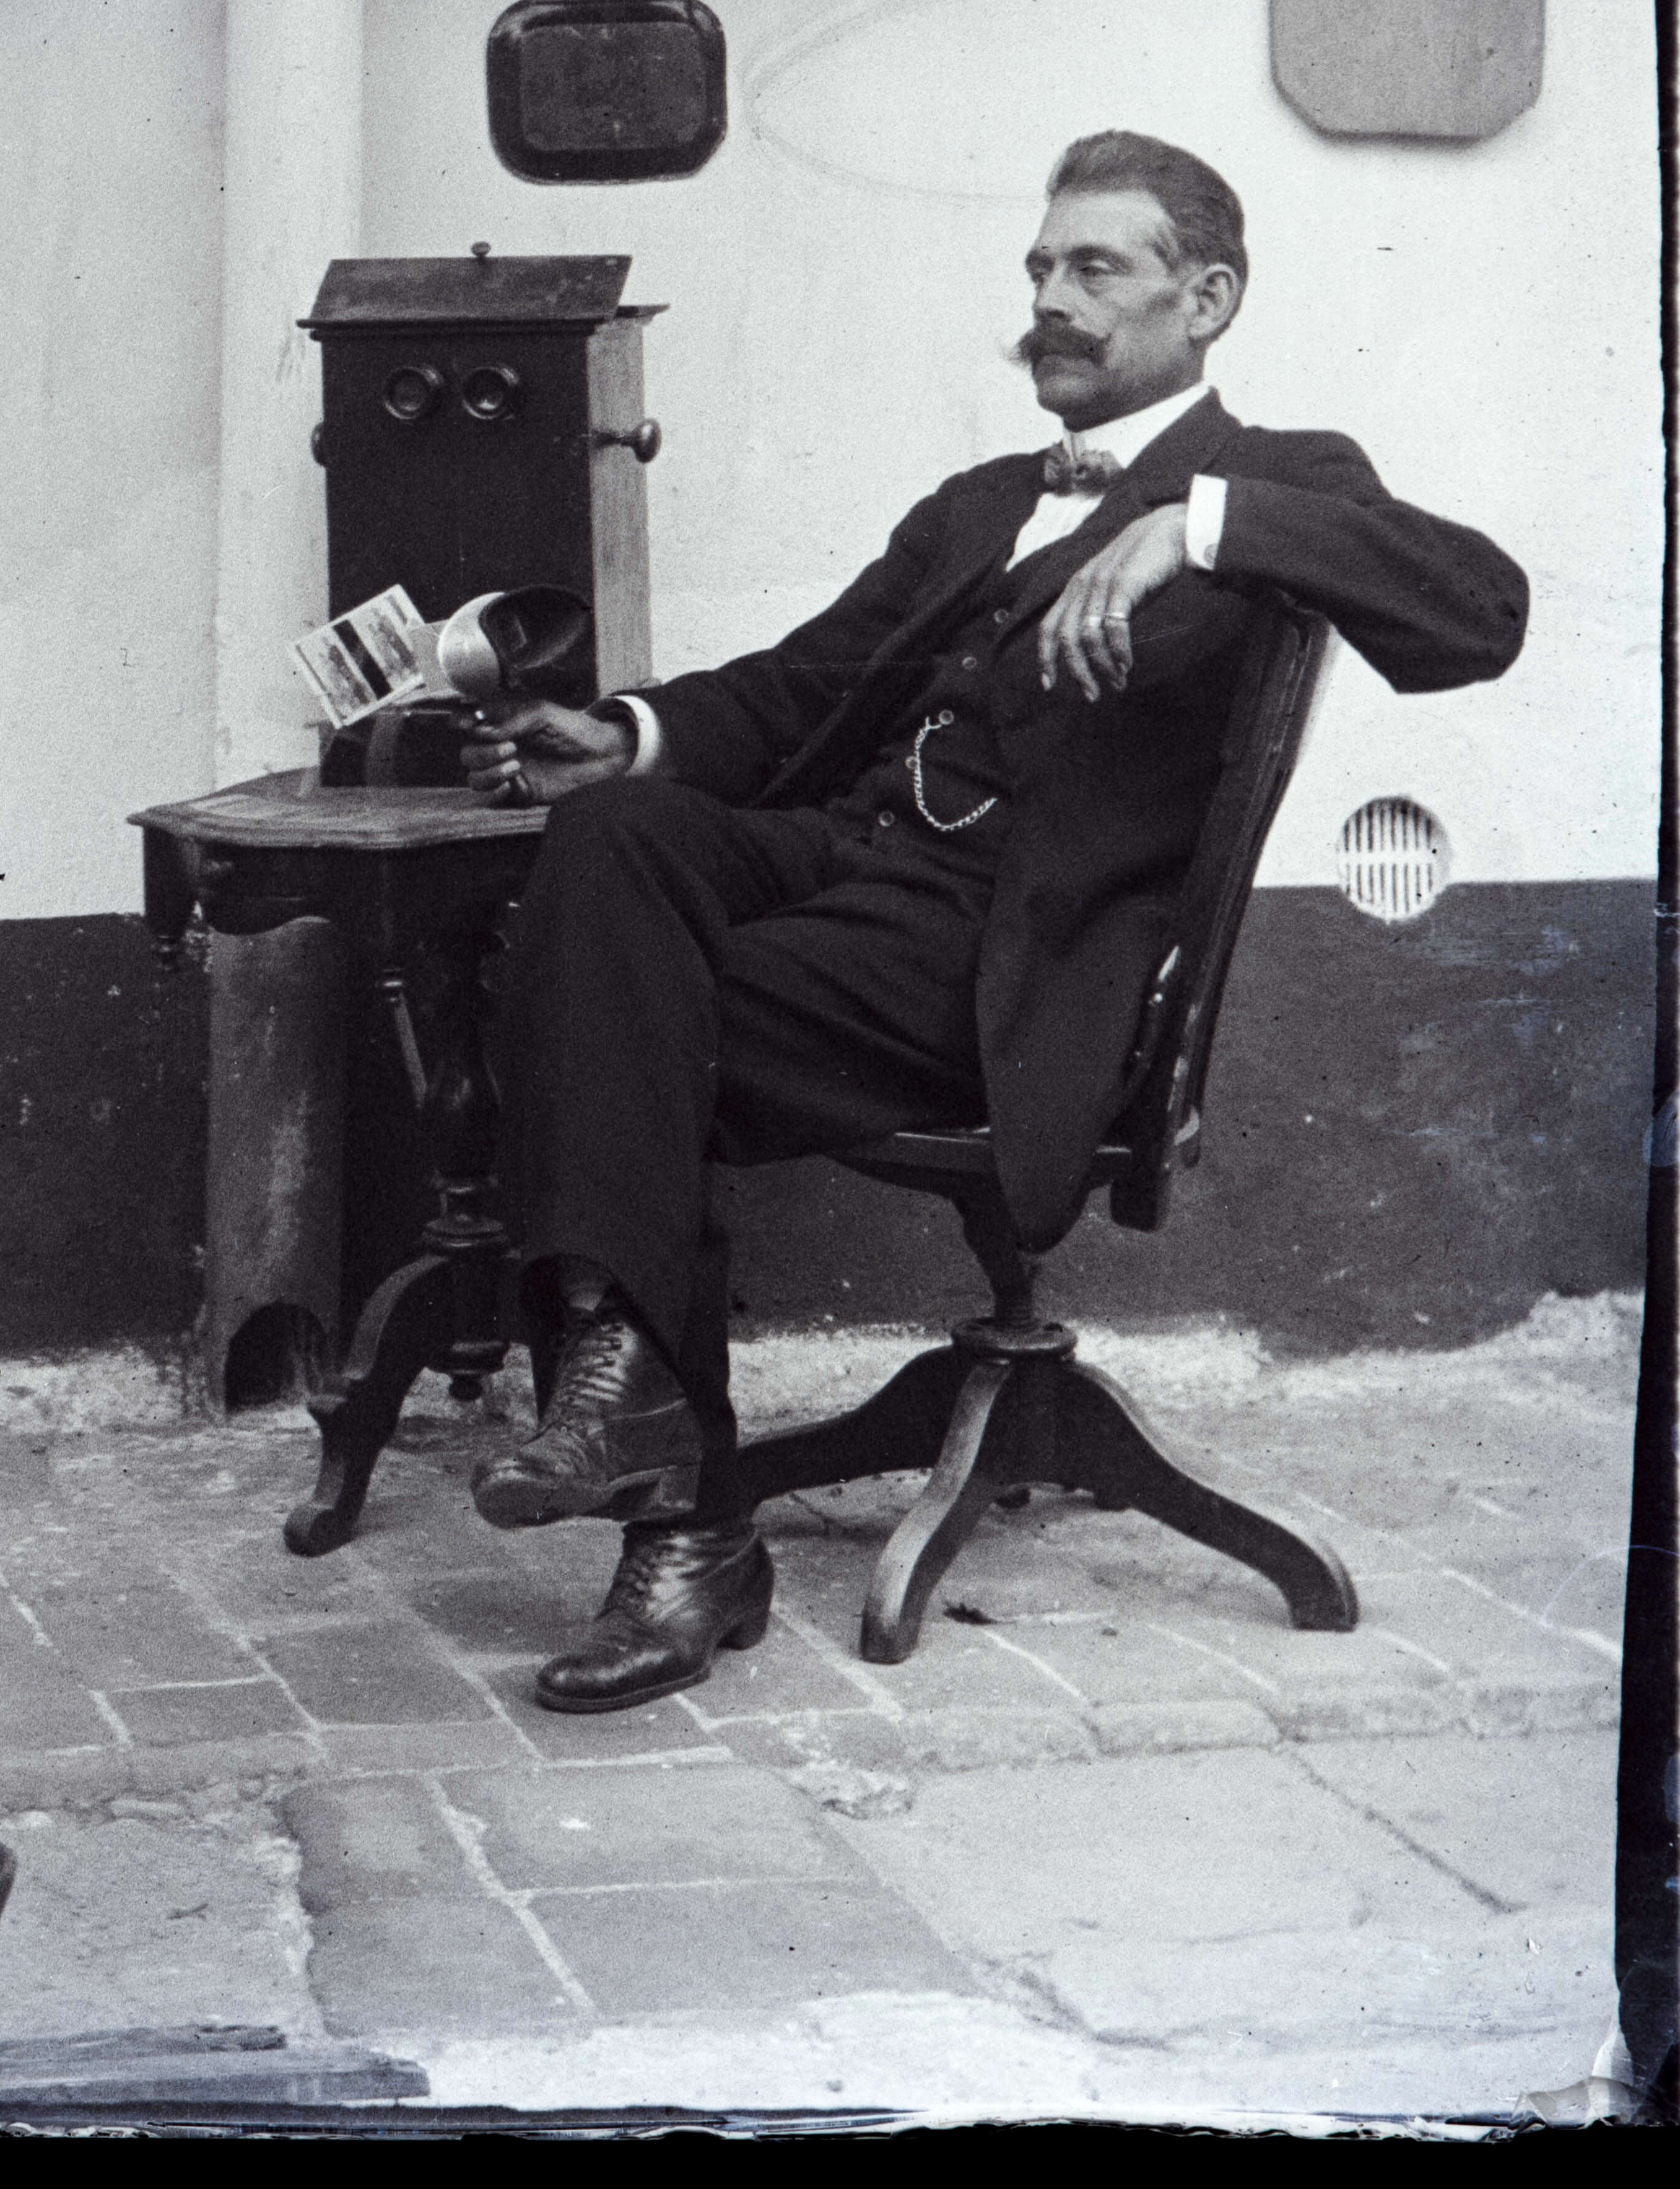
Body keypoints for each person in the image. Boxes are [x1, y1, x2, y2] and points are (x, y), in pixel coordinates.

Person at [451, 133, 1525, 1715]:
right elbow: (796, 688)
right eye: (1039, 269)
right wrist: (625, 730)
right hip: (841, 863)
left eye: (1097, 268)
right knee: (610, 847)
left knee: (595, 1018)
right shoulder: (978, 507)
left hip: (1003, 952)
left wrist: (1203, 526)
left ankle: (681, 1517)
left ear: (1206, 296)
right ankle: (636, 1398)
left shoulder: (1287, 477)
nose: (1052, 301)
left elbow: (1480, 610)